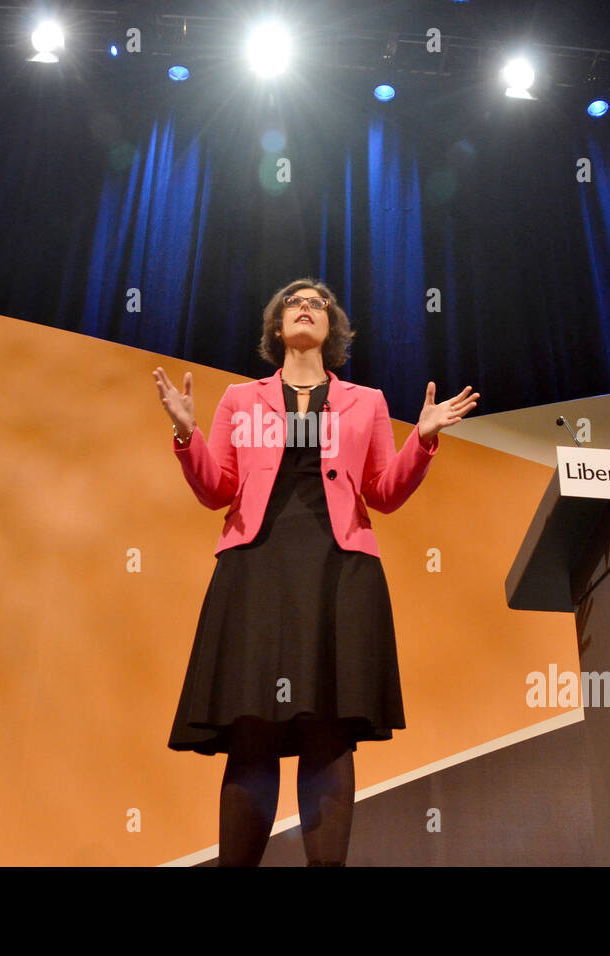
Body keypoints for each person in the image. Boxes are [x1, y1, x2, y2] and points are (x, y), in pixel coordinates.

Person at [151, 277, 478, 866]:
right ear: (279, 328)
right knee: (252, 732)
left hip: (340, 571)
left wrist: (422, 443)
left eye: (318, 304)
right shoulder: (238, 400)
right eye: (294, 304)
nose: (307, 307)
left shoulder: (368, 401)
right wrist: (185, 433)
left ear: (332, 329)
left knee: (328, 733)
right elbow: (215, 489)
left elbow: (383, 493)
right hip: (255, 571)